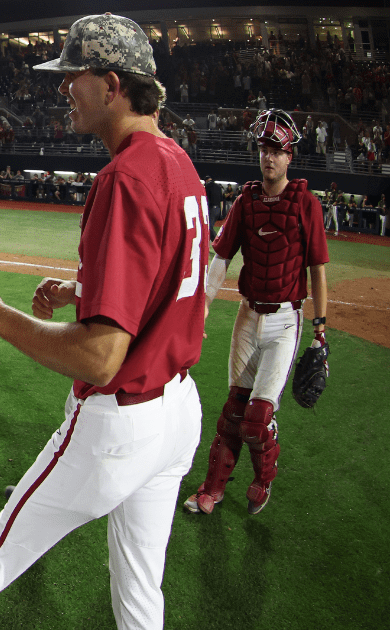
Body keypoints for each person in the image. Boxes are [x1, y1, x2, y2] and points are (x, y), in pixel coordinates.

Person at [0, 14, 206, 630]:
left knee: (10, 534)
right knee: (140, 591)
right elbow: (168, 276)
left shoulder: (124, 176)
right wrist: (84, 289)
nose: (64, 87)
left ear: (112, 84)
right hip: (178, 412)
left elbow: (100, 358)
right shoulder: (177, 161)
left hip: (122, 419)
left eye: (74, 75)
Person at [184, 109, 329, 516]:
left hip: (286, 319)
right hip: (248, 315)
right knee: (233, 411)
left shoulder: (306, 204)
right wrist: (205, 307)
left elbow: (317, 269)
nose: (268, 157)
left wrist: (320, 328)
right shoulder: (245, 201)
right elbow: (221, 258)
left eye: (277, 151)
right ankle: (211, 490)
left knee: (257, 417)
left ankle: (263, 479)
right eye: (264, 149)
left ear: (290, 157)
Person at [204, 174, 225, 240]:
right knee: (210, 226)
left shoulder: (207, 186)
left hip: (211, 209)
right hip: (218, 209)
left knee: (209, 227)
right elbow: (221, 201)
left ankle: (217, 241)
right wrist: (221, 212)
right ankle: (210, 241)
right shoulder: (218, 186)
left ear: (206, 180)